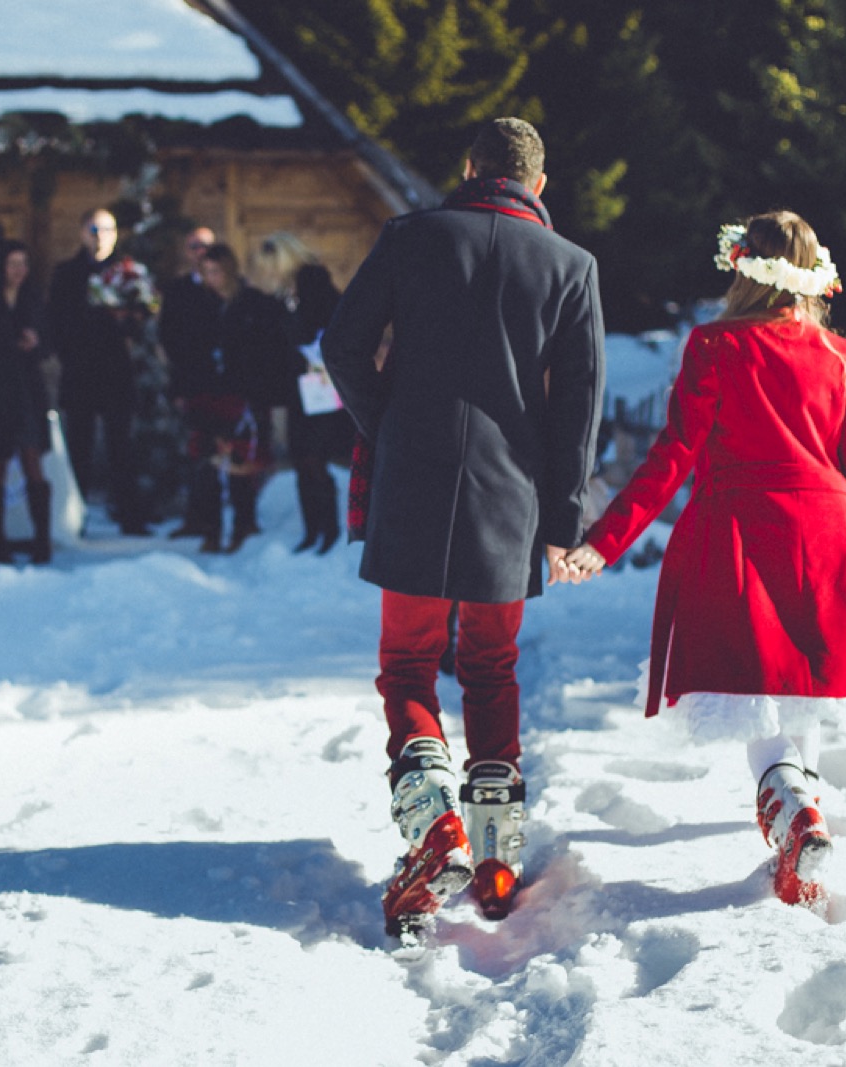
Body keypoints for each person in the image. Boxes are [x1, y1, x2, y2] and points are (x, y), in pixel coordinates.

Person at [558, 210, 846, 908]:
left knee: (757, 693)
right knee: (799, 688)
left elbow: (673, 457)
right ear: (813, 275)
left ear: (741, 266)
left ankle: (794, 811)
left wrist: (603, 540)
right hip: (832, 541)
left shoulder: (715, 346)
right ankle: (802, 822)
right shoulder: (839, 356)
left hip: (746, 533)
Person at [321, 117, 605, 934]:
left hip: (412, 480)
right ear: (538, 185)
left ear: (471, 168)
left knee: (409, 665)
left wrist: (388, 424)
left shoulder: (411, 237)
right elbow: (578, 406)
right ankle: (495, 860)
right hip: (510, 499)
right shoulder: (571, 266)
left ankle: (433, 826)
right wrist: (564, 516)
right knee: (490, 669)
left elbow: (342, 345)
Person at [47, 207, 155, 536]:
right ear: (83, 233)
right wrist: (69, 351)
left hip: (116, 370)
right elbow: (56, 320)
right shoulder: (67, 273)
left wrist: (130, 322)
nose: (100, 237)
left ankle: (130, 516)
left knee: (121, 446)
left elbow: (143, 320)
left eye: (108, 230)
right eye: (94, 230)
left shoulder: (127, 272)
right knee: (78, 446)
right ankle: (74, 519)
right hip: (80, 369)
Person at [190, 243, 298, 553]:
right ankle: (211, 529)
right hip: (212, 393)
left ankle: (244, 525)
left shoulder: (255, 305)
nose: (213, 278)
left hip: (247, 394)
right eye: (207, 272)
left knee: (242, 461)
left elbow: (270, 350)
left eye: (217, 271)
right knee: (210, 460)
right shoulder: (204, 305)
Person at [254, 232, 353, 554]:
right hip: (297, 388)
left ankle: (328, 531)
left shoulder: (314, 284)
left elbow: (334, 324)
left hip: (319, 386)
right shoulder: (283, 294)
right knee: (302, 459)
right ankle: (313, 531)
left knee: (314, 458)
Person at [156, 225, 223, 539]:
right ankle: (195, 517)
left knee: (218, 452)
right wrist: (179, 384)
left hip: (222, 383)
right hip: (190, 382)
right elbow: (169, 337)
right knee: (192, 451)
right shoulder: (178, 290)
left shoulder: (225, 288)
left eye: (205, 246)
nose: (200, 252)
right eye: (194, 246)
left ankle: (218, 520)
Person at [0, 240, 54, 563]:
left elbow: (50, 341)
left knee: (32, 460)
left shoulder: (34, 299)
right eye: (13, 263)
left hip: (28, 389)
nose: (19, 270)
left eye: (23, 264)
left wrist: (35, 342)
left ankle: (42, 538)